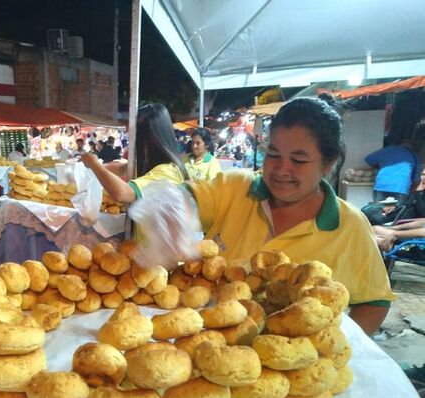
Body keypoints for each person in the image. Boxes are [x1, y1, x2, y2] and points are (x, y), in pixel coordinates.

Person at [131, 97, 395, 336]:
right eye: (274, 154)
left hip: (288, 366)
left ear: (329, 164)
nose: (281, 169)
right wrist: (170, 206)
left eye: (299, 160)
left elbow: (374, 302)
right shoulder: (235, 188)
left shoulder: (349, 225)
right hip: (208, 345)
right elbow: (186, 196)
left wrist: (336, 349)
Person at [81, 103, 189, 203]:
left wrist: (94, 164)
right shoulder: (149, 164)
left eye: (135, 135)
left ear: (150, 138)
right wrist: (87, 167)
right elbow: (122, 169)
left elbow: (122, 194)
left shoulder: (169, 172)